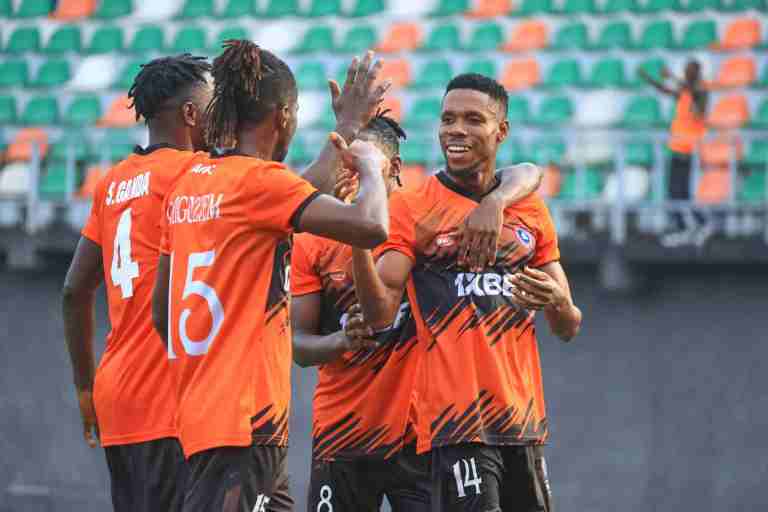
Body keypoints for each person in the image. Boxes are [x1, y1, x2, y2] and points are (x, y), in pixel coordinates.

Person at [151, 40, 392, 512]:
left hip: (203, 414)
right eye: (296, 114)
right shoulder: (260, 184)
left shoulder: (190, 185)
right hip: (244, 421)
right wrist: (370, 166)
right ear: (283, 116)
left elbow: (162, 314)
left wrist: (346, 126)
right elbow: (371, 226)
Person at [292, 107, 544, 512]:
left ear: (394, 169)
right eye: (346, 166)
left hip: (420, 436)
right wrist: (342, 340)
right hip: (342, 434)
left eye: (364, 166)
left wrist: (497, 199)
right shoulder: (314, 241)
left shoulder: (425, 221)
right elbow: (298, 346)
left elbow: (526, 172)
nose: (352, 177)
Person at [351, 73, 582, 512]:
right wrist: (359, 243)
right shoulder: (413, 207)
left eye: (473, 119)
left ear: (501, 131)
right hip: (457, 424)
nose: (456, 130)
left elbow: (568, 325)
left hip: (523, 423)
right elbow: (381, 314)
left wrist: (555, 300)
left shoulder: (530, 209)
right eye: (447, 119)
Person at [61, 54, 214, 512]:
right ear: (191, 113)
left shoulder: (111, 183)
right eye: (213, 105)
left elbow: (74, 291)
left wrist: (85, 388)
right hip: (167, 398)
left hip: (117, 397)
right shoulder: (194, 174)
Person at [640, 59, 711, 247]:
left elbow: (693, 93)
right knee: (676, 193)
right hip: (676, 148)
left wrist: (671, 76)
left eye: (689, 70)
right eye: (685, 70)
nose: (686, 73)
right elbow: (666, 90)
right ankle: (689, 226)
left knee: (680, 192)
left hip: (689, 151)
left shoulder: (700, 91)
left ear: (697, 73)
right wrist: (649, 79)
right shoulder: (685, 93)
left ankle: (696, 225)